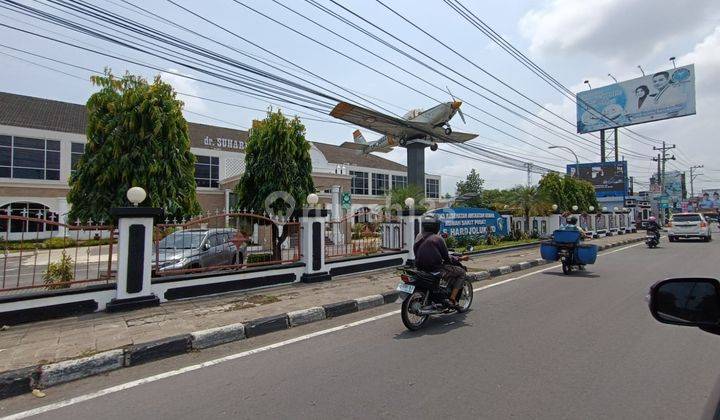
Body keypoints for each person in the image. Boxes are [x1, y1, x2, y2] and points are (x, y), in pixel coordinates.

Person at [414, 214, 464, 309]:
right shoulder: (438, 238)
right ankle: (452, 299)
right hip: (435, 268)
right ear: (436, 226)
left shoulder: (419, 236)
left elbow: (416, 250)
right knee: (461, 272)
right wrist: (457, 259)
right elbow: (446, 257)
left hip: (420, 267)